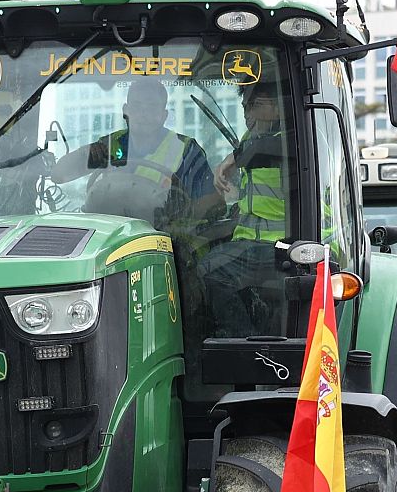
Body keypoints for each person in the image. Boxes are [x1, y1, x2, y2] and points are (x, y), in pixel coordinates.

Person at [49, 77, 217, 228]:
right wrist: (85, 154)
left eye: (152, 108)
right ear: (125, 111)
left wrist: (181, 211)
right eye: (137, 106)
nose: (144, 114)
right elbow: (58, 175)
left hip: (168, 239)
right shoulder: (111, 145)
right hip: (112, 237)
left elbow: (214, 202)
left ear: (163, 115)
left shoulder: (185, 150)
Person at [200, 77, 293, 338]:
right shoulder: (252, 138)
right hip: (254, 241)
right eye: (244, 107)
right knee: (202, 260)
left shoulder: (295, 136)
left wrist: (233, 158)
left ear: (277, 108)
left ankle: (241, 342)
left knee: (212, 271)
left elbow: (264, 150)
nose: (247, 115)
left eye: (255, 106)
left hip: (289, 245)